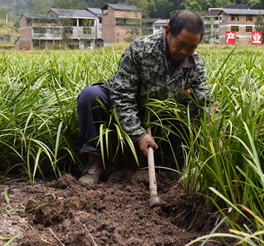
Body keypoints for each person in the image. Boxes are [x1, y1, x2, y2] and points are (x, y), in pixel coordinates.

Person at [76, 10, 210, 185]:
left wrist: (214, 132)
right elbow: (122, 96)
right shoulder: (141, 49)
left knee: (193, 108)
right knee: (90, 96)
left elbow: (206, 101)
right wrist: (138, 134)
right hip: (127, 100)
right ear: (168, 32)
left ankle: (173, 167)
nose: (185, 51)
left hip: (162, 108)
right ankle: (95, 162)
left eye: (192, 47)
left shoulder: (195, 63)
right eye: (180, 44)